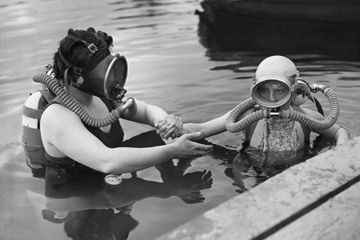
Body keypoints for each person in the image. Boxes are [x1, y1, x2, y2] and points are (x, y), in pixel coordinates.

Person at [34, 27, 212, 184]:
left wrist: (165, 122)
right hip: (77, 198)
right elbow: (107, 162)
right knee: (162, 151)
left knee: (153, 138)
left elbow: (148, 112)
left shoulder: (102, 97)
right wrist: (172, 151)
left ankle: (173, 178)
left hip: (107, 180)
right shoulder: (57, 117)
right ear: (77, 76)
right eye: (102, 72)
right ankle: (172, 186)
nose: (110, 79)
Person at [159, 55, 350, 152]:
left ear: (293, 88)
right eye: (264, 90)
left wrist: (337, 157)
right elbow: (200, 129)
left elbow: (340, 132)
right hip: (255, 175)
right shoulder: (245, 115)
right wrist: (177, 127)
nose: (272, 99)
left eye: (280, 90)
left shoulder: (306, 118)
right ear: (255, 89)